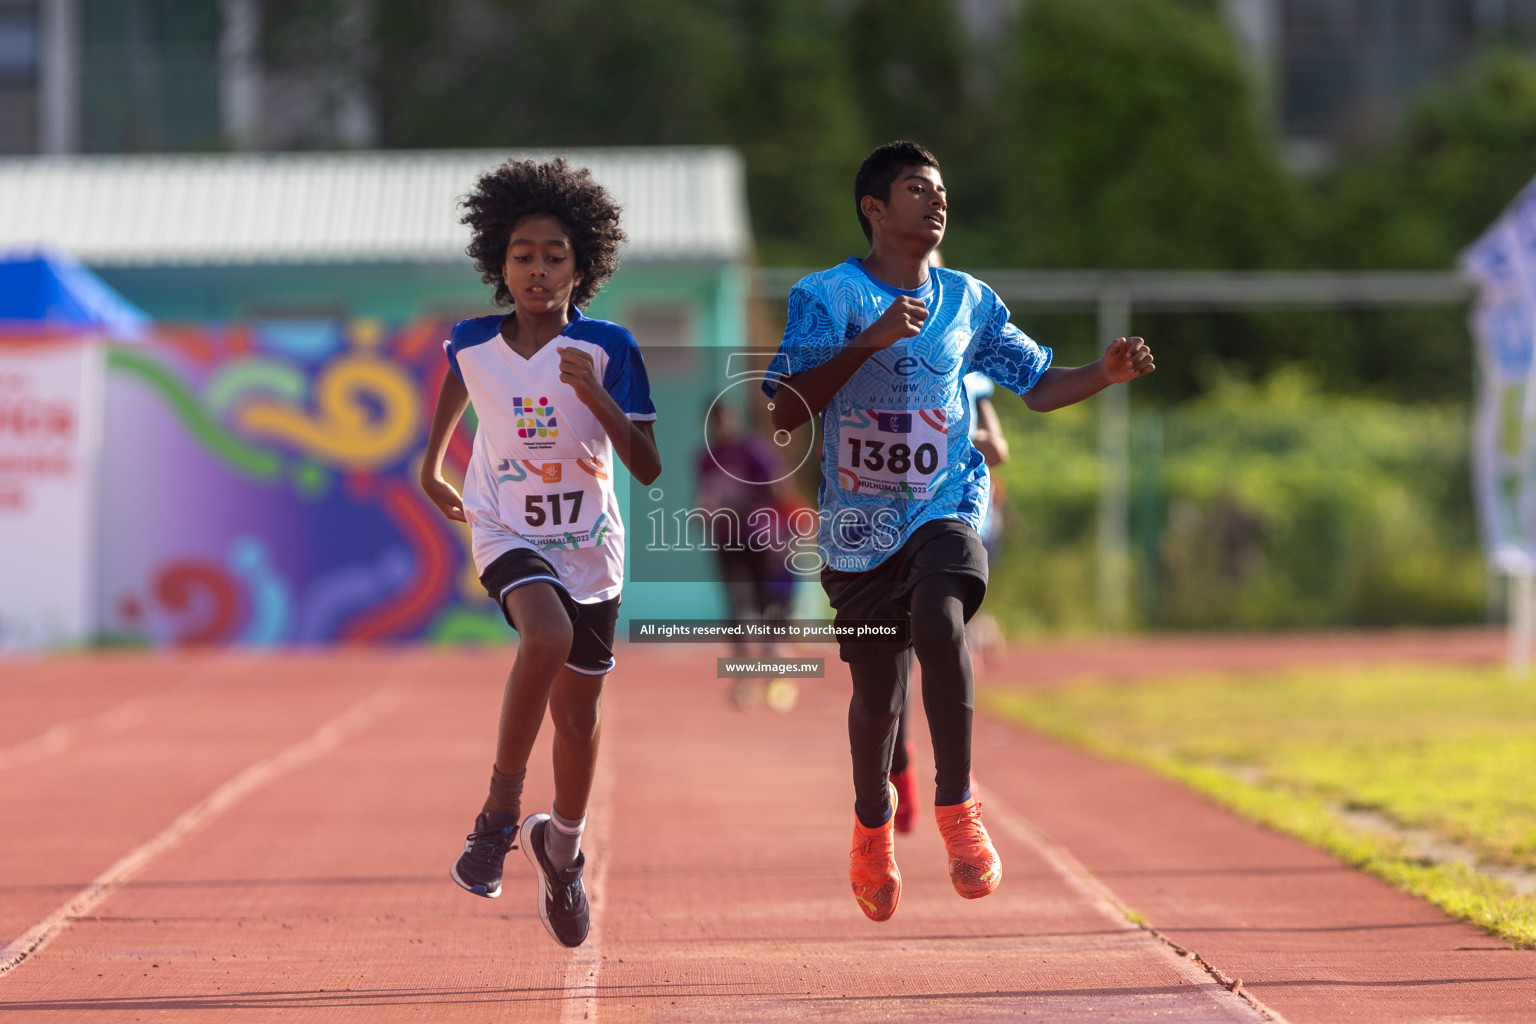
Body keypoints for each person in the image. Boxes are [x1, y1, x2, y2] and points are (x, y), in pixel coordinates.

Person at [764, 141, 1154, 922]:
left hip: (945, 502)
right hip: (856, 529)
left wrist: (1103, 374)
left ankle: (958, 809)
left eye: (941, 189)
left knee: (942, 626)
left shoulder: (970, 300)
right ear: (875, 208)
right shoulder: (826, 296)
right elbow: (783, 407)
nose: (937, 200)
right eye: (917, 188)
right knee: (876, 698)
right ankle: (872, 827)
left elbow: (1038, 386)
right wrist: (867, 342)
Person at [420, 157, 660, 948]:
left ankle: (561, 847)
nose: (536, 268)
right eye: (522, 254)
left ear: (581, 265)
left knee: (580, 713)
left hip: (590, 544)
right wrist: (432, 464)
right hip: (506, 526)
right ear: (499, 263)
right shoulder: (472, 341)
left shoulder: (610, 348)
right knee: (545, 637)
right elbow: (461, 381)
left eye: (554, 254)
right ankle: (496, 815)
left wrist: (596, 398)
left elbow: (649, 465)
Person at [886, 367, 1008, 834]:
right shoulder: (894, 369)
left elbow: (998, 448)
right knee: (893, 665)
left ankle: (956, 778)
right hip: (892, 528)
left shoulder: (975, 379)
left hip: (955, 526)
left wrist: (953, 431)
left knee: (940, 640)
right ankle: (898, 772)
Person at [695, 400, 799, 710]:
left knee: (769, 609)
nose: (723, 425)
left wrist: (780, 527)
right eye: (716, 420)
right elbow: (707, 497)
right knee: (737, 610)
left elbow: (781, 485)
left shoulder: (754, 449)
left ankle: (778, 674)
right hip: (727, 543)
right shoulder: (706, 459)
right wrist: (706, 511)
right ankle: (744, 679)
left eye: (727, 418)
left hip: (760, 540)